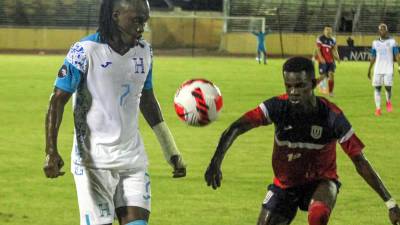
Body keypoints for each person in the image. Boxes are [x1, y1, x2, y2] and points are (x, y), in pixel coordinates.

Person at [205, 57, 400, 225]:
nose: (293, 92)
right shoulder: (276, 107)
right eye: (288, 86)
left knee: (318, 216)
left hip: (321, 182)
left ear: (314, 84)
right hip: (285, 184)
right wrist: (216, 161)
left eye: (300, 86)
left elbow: (360, 161)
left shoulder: (332, 117)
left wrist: (390, 203)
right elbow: (236, 127)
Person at [43, 1, 187, 225]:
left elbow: (147, 100)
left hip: (132, 158)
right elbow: (57, 100)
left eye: (145, 21)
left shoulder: (145, 51)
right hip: (92, 162)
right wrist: (51, 151)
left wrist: (171, 151)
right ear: (116, 15)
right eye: (136, 20)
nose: (141, 27)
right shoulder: (85, 50)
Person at [367, 23, 400, 116]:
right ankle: (378, 109)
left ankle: (388, 101)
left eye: (384, 29)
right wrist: (369, 69)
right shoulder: (375, 43)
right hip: (377, 69)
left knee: (388, 88)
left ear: (387, 31)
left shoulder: (392, 42)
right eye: (381, 29)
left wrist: (399, 66)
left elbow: (397, 55)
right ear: (378, 31)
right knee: (377, 88)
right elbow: (373, 57)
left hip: (388, 69)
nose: (382, 31)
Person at [316, 25, 340, 97]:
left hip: (330, 61)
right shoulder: (320, 38)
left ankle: (331, 92)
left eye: (329, 30)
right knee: (323, 77)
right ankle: (312, 86)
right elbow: (318, 49)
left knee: (331, 75)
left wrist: (337, 57)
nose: (328, 31)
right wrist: (321, 58)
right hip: (323, 61)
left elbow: (334, 50)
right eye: (327, 30)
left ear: (331, 31)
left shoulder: (333, 40)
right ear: (324, 31)